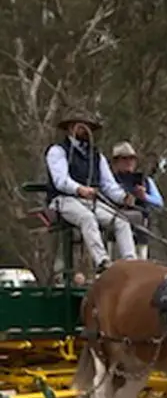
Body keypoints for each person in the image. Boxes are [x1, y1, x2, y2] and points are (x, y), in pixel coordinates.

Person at [44, 110, 137, 275]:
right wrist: (79, 189)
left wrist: (123, 197)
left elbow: (108, 185)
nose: (86, 131)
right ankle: (102, 261)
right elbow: (60, 180)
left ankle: (131, 263)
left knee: (121, 221)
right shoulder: (57, 151)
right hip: (64, 200)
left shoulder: (96, 155)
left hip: (91, 202)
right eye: (82, 126)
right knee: (87, 218)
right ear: (72, 128)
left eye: (88, 127)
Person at [110, 141, 164, 259]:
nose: (129, 162)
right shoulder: (110, 180)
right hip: (113, 223)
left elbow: (159, 202)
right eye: (124, 159)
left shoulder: (145, 180)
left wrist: (145, 197)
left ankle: (141, 260)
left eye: (132, 159)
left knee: (140, 219)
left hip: (141, 226)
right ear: (116, 162)